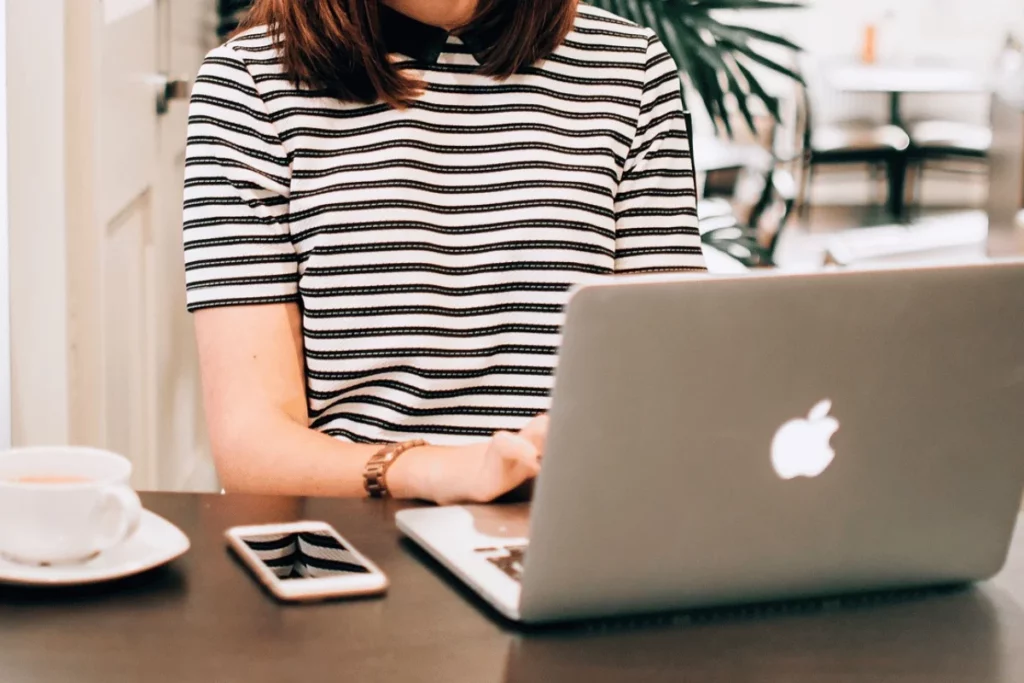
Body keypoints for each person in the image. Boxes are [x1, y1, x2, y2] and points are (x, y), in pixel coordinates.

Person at [183, 0, 705, 504]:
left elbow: (671, 374)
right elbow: (252, 447)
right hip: (364, 551)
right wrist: (433, 470)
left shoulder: (630, 65)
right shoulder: (248, 83)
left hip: (579, 537)